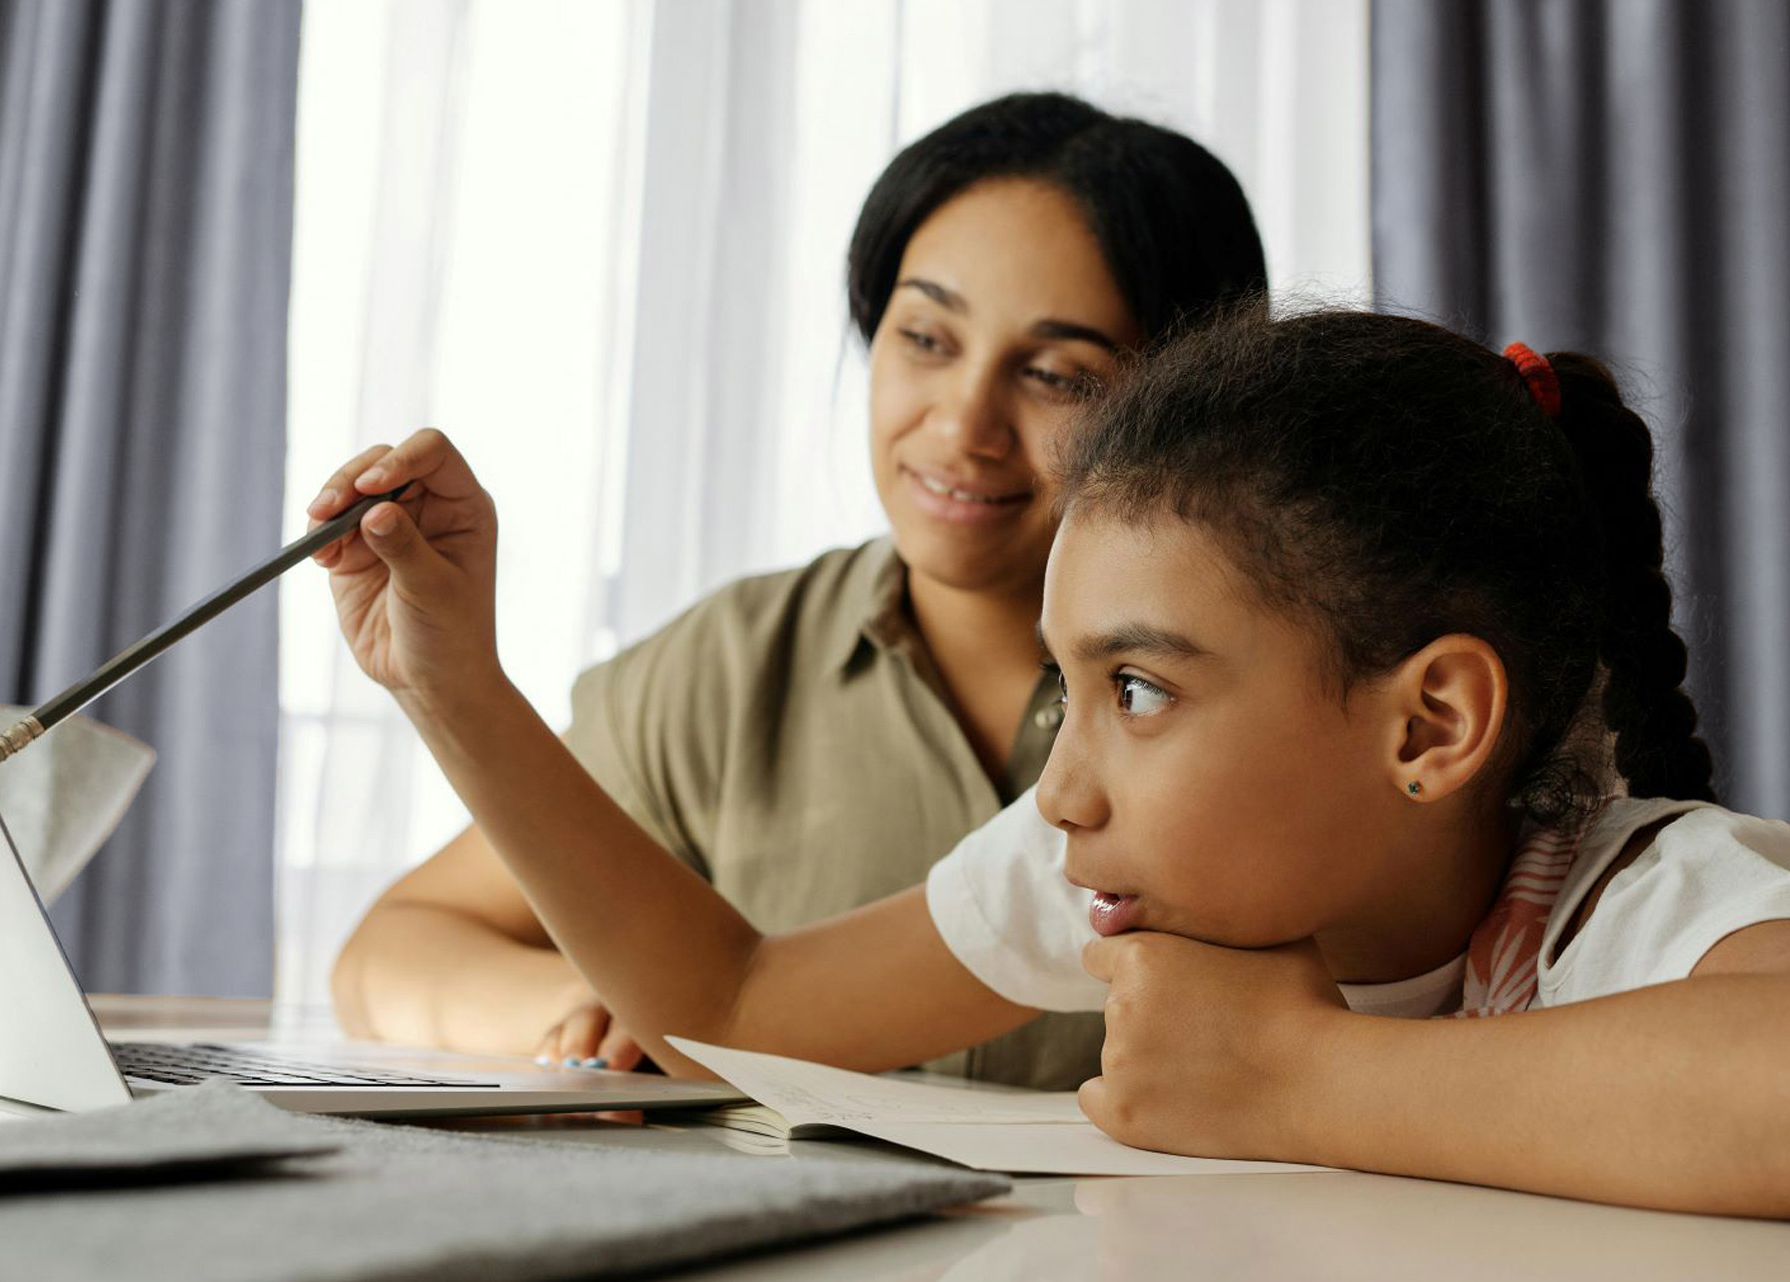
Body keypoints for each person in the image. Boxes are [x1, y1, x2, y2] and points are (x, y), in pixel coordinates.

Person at [308, 306, 1790, 1216]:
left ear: (1429, 727)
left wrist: (1302, 1074)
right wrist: (457, 689)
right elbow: (733, 1010)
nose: (1065, 786)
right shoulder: (1102, 874)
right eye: (1067, 687)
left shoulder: (1630, 894)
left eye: (1137, 688)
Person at [327, 91, 1267, 1090]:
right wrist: (590, 1006)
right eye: (927, 339)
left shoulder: (1254, 706)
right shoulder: (733, 666)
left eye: (1055, 374)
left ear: (1187, 405)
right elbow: (395, 952)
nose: (962, 427)